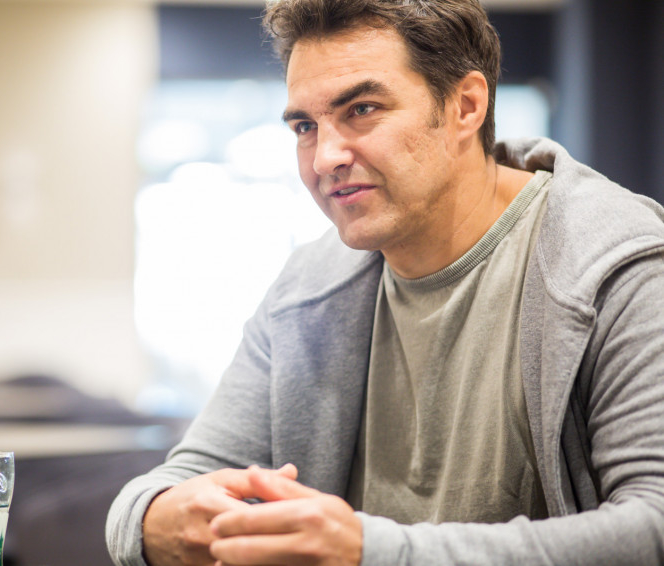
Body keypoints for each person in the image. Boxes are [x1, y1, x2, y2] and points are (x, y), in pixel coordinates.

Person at [107, 0, 664, 564]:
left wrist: (368, 553)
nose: (324, 158)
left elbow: (652, 527)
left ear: (466, 106)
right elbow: (167, 489)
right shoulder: (309, 287)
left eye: (362, 109)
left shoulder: (616, 266)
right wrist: (155, 519)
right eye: (305, 127)